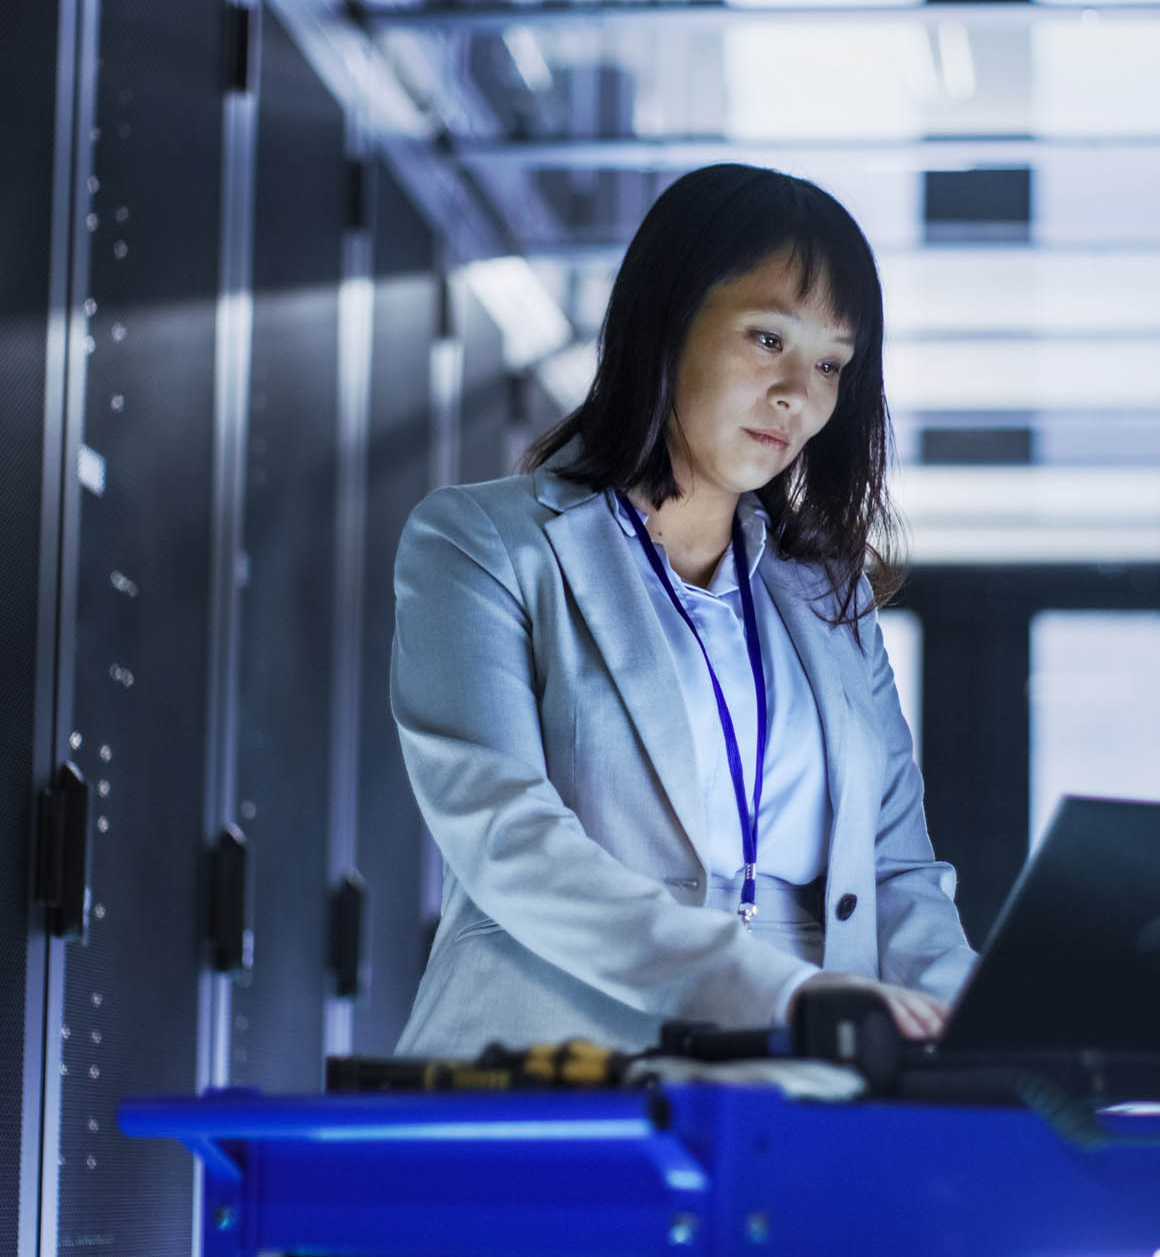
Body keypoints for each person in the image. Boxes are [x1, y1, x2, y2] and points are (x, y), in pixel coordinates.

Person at [390, 163, 976, 1058]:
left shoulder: (831, 598)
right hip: (553, 1068)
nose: (798, 394)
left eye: (830, 363)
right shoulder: (482, 544)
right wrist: (780, 993)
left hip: (795, 1083)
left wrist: (988, 1027)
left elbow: (896, 872)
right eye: (768, 338)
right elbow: (509, 839)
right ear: (667, 321)